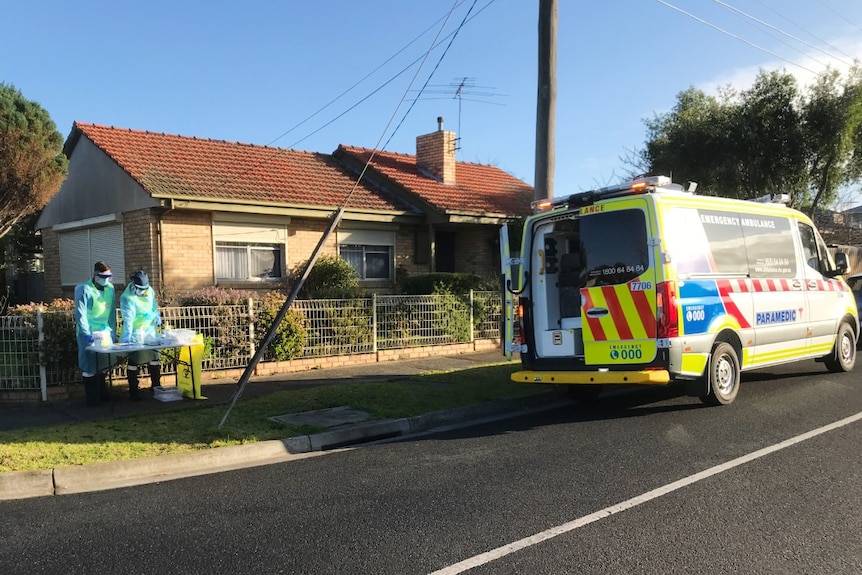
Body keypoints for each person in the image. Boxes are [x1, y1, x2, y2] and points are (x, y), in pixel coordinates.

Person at [73, 261, 118, 406]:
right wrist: (86, 333)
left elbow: (111, 313)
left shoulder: (110, 289)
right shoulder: (83, 289)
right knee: (89, 365)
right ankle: (91, 399)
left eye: (109, 276)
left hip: (103, 332)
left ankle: (103, 394)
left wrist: (112, 331)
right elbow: (81, 314)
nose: (106, 279)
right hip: (88, 332)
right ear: (95, 275)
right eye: (103, 276)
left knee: (102, 364)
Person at [119, 270, 162, 400]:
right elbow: (128, 318)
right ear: (134, 285)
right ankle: (134, 392)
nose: (143, 291)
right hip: (135, 332)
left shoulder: (150, 291)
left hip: (149, 330)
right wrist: (127, 335)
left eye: (145, 288)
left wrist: (156, 316)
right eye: (140, 289)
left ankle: (156, 387)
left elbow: (154, 307)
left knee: (154, 357)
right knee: (134, 360)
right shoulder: (128, 297)